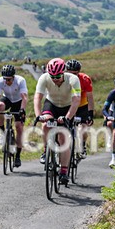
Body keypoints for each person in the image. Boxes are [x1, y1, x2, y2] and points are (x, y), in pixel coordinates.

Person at [33, 58, 81, 186]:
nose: (55, 79)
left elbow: (76, 100)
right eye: (52, 76)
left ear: (63, 72)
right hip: (52, 104)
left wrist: (68, 117)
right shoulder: (44, 78)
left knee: (63, 138)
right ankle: (46, 149)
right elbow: (38, 97)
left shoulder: (73, 79)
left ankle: (64, 171)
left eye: (58, 76)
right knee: (45, 124)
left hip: (67, 107)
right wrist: (39, 115)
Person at [0, 64, 28, 167]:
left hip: (18, 102)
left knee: (19, 127)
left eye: (9, 79)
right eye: (5, 79)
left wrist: (22, 110)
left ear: (13, 77)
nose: (7, 82)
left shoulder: (20, 81)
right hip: (7, 99)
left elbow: (24, 97)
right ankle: (2, 132)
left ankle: (18, 156)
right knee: (0, 107)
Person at [65, 59, 94, 158]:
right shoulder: (63, 79)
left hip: (82, 106)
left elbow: (90, 97)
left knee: (83, 128)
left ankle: (82, 145)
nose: (73, 76)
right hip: (69, 105)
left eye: (75, 74)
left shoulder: (85, 79)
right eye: (70, 73)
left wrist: (90, 113)